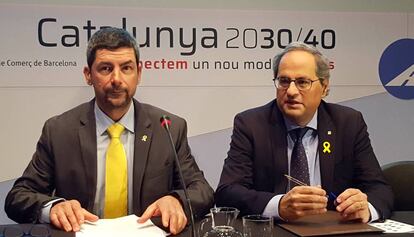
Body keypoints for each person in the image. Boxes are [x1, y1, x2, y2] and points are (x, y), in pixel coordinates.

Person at [5, 27, 214, 234]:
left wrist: (176, 200)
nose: (116, 79)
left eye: (126, 68)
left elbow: (201, 190)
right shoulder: (59, 131)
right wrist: (53, 207)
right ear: (88, 75)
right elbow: (18, 197)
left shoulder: (168, 128)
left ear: (138, 73)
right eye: (105, 68)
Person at [215, 42, 393, 223]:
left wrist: (365, 208)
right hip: (276, 230)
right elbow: (228, 191)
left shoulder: (348, 123)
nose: (291, 91)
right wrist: (279, 206)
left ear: (324, 87)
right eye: (284, 81)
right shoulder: (251, 124)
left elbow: (379, 189)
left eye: (302, 82)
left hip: (334, 230)